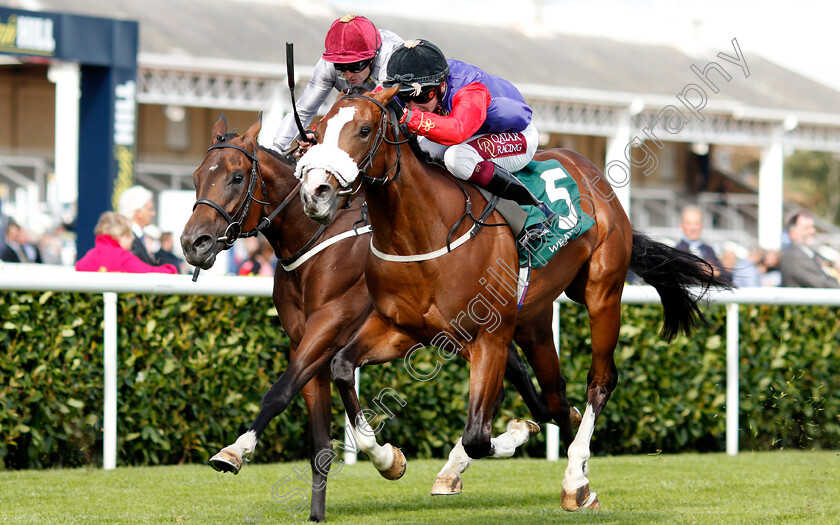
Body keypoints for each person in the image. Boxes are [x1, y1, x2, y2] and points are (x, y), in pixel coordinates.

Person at [383, 39, 554, 222]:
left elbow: (457, 131)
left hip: (517, 135)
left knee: (458, 159)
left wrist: (409, 117)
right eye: (404, 97)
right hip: (476, 133)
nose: (414, 106)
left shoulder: (470, 89)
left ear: (441, 85)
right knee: (422, 153)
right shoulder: (427, 80)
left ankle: (530, 211)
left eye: (423, 96)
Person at [272, 14, 403, 156]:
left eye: (355, 66)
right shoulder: (327, 64)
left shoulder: (391, 56)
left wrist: (318, 127)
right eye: (340, 67)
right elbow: (303, 110)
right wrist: (275, 150)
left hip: (400, 110)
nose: (348, 75)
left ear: (374, 56)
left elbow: (374, 106)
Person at [76, 212, 178, 274]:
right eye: (129, 235)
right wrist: (171, 269)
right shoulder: (122, 257)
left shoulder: (90, 255)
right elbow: (149, 273)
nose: (132, 238)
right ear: (120, 237)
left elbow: (79, 267)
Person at [780, 210, 840, 288]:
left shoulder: (809, 252)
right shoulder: (795, 256)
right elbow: (825, 284)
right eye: (806, 228)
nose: (813, 231)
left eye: (813, 227)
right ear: (793, 233)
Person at [675, 205, 731, 281]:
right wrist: (700, 271)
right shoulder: (676, 252)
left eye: (696, 223)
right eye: (688, 223)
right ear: (681, 225)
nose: (693, 228)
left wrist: (716, 274)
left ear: (702, 225)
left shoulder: (709, 250)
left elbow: (728, 277)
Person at [117, 185, 158, 266]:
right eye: (150, 209)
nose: (153, 213)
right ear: (138, 212)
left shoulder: (140, 238)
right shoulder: (127, 239)